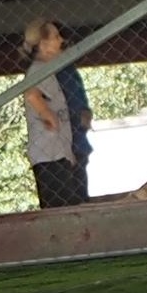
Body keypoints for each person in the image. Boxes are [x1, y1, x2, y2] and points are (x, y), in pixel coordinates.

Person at [20, 19, 89, 207]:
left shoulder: (49, 70)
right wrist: (47, 114)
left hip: (58, 152)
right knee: (61, 208)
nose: (61, 41)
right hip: (49, 156)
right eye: (56, 37)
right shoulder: (38, 70)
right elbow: (31, 94)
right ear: (43, 45)